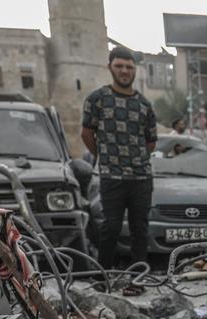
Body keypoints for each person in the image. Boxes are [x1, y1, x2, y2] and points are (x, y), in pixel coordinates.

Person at [81, 46, 157, 295]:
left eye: (129, 67)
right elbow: (87, 134)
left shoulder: (144, 105)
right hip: (111, 176)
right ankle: (103, 278)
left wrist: (135, 159)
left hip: (141, 177)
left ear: (135, 70)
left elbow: (150, 141)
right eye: (120, 66)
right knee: (110, 227)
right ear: (110, 67)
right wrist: (106, 158)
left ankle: (137, 281)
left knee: (140, 228)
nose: (125, 71)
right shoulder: (97, 99)